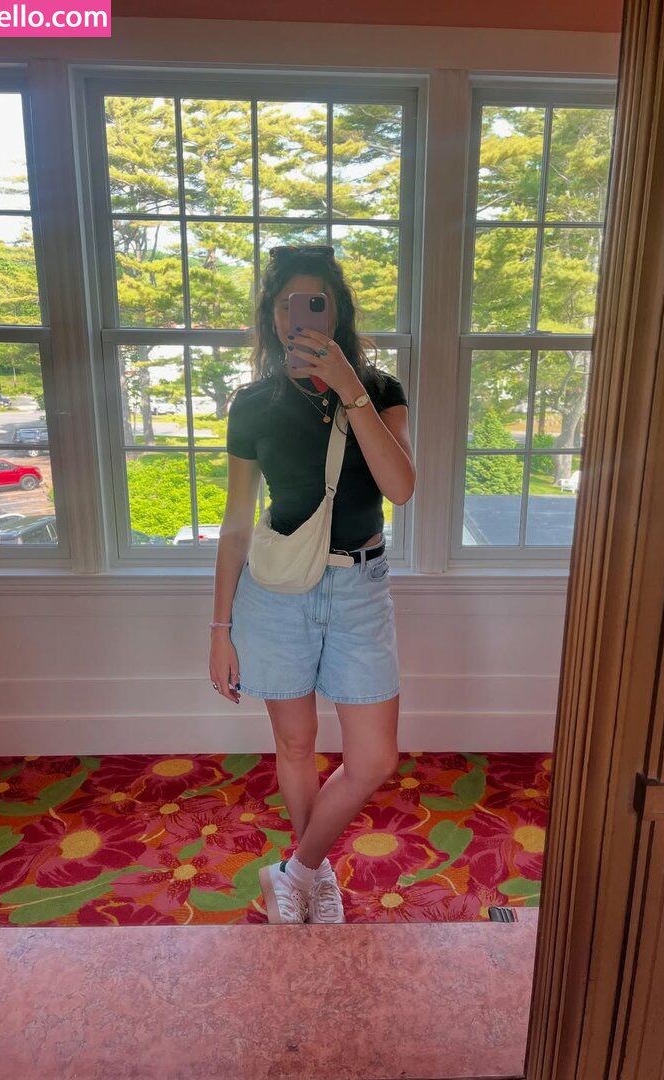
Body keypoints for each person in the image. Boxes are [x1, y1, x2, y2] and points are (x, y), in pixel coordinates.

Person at [209, 244, 415, 926]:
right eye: (284, 304)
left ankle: (293, 870)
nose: (297, 316)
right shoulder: (254, 404)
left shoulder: (379, 390)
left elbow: (400, 487)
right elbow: (236, 523)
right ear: (271, 316)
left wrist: (349, 387)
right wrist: (219, 630)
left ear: (337, 310)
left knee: (374, 757)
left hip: (361, 587)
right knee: (296, 745)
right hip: (276, 593)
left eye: (314, 302)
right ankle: (313, 874)